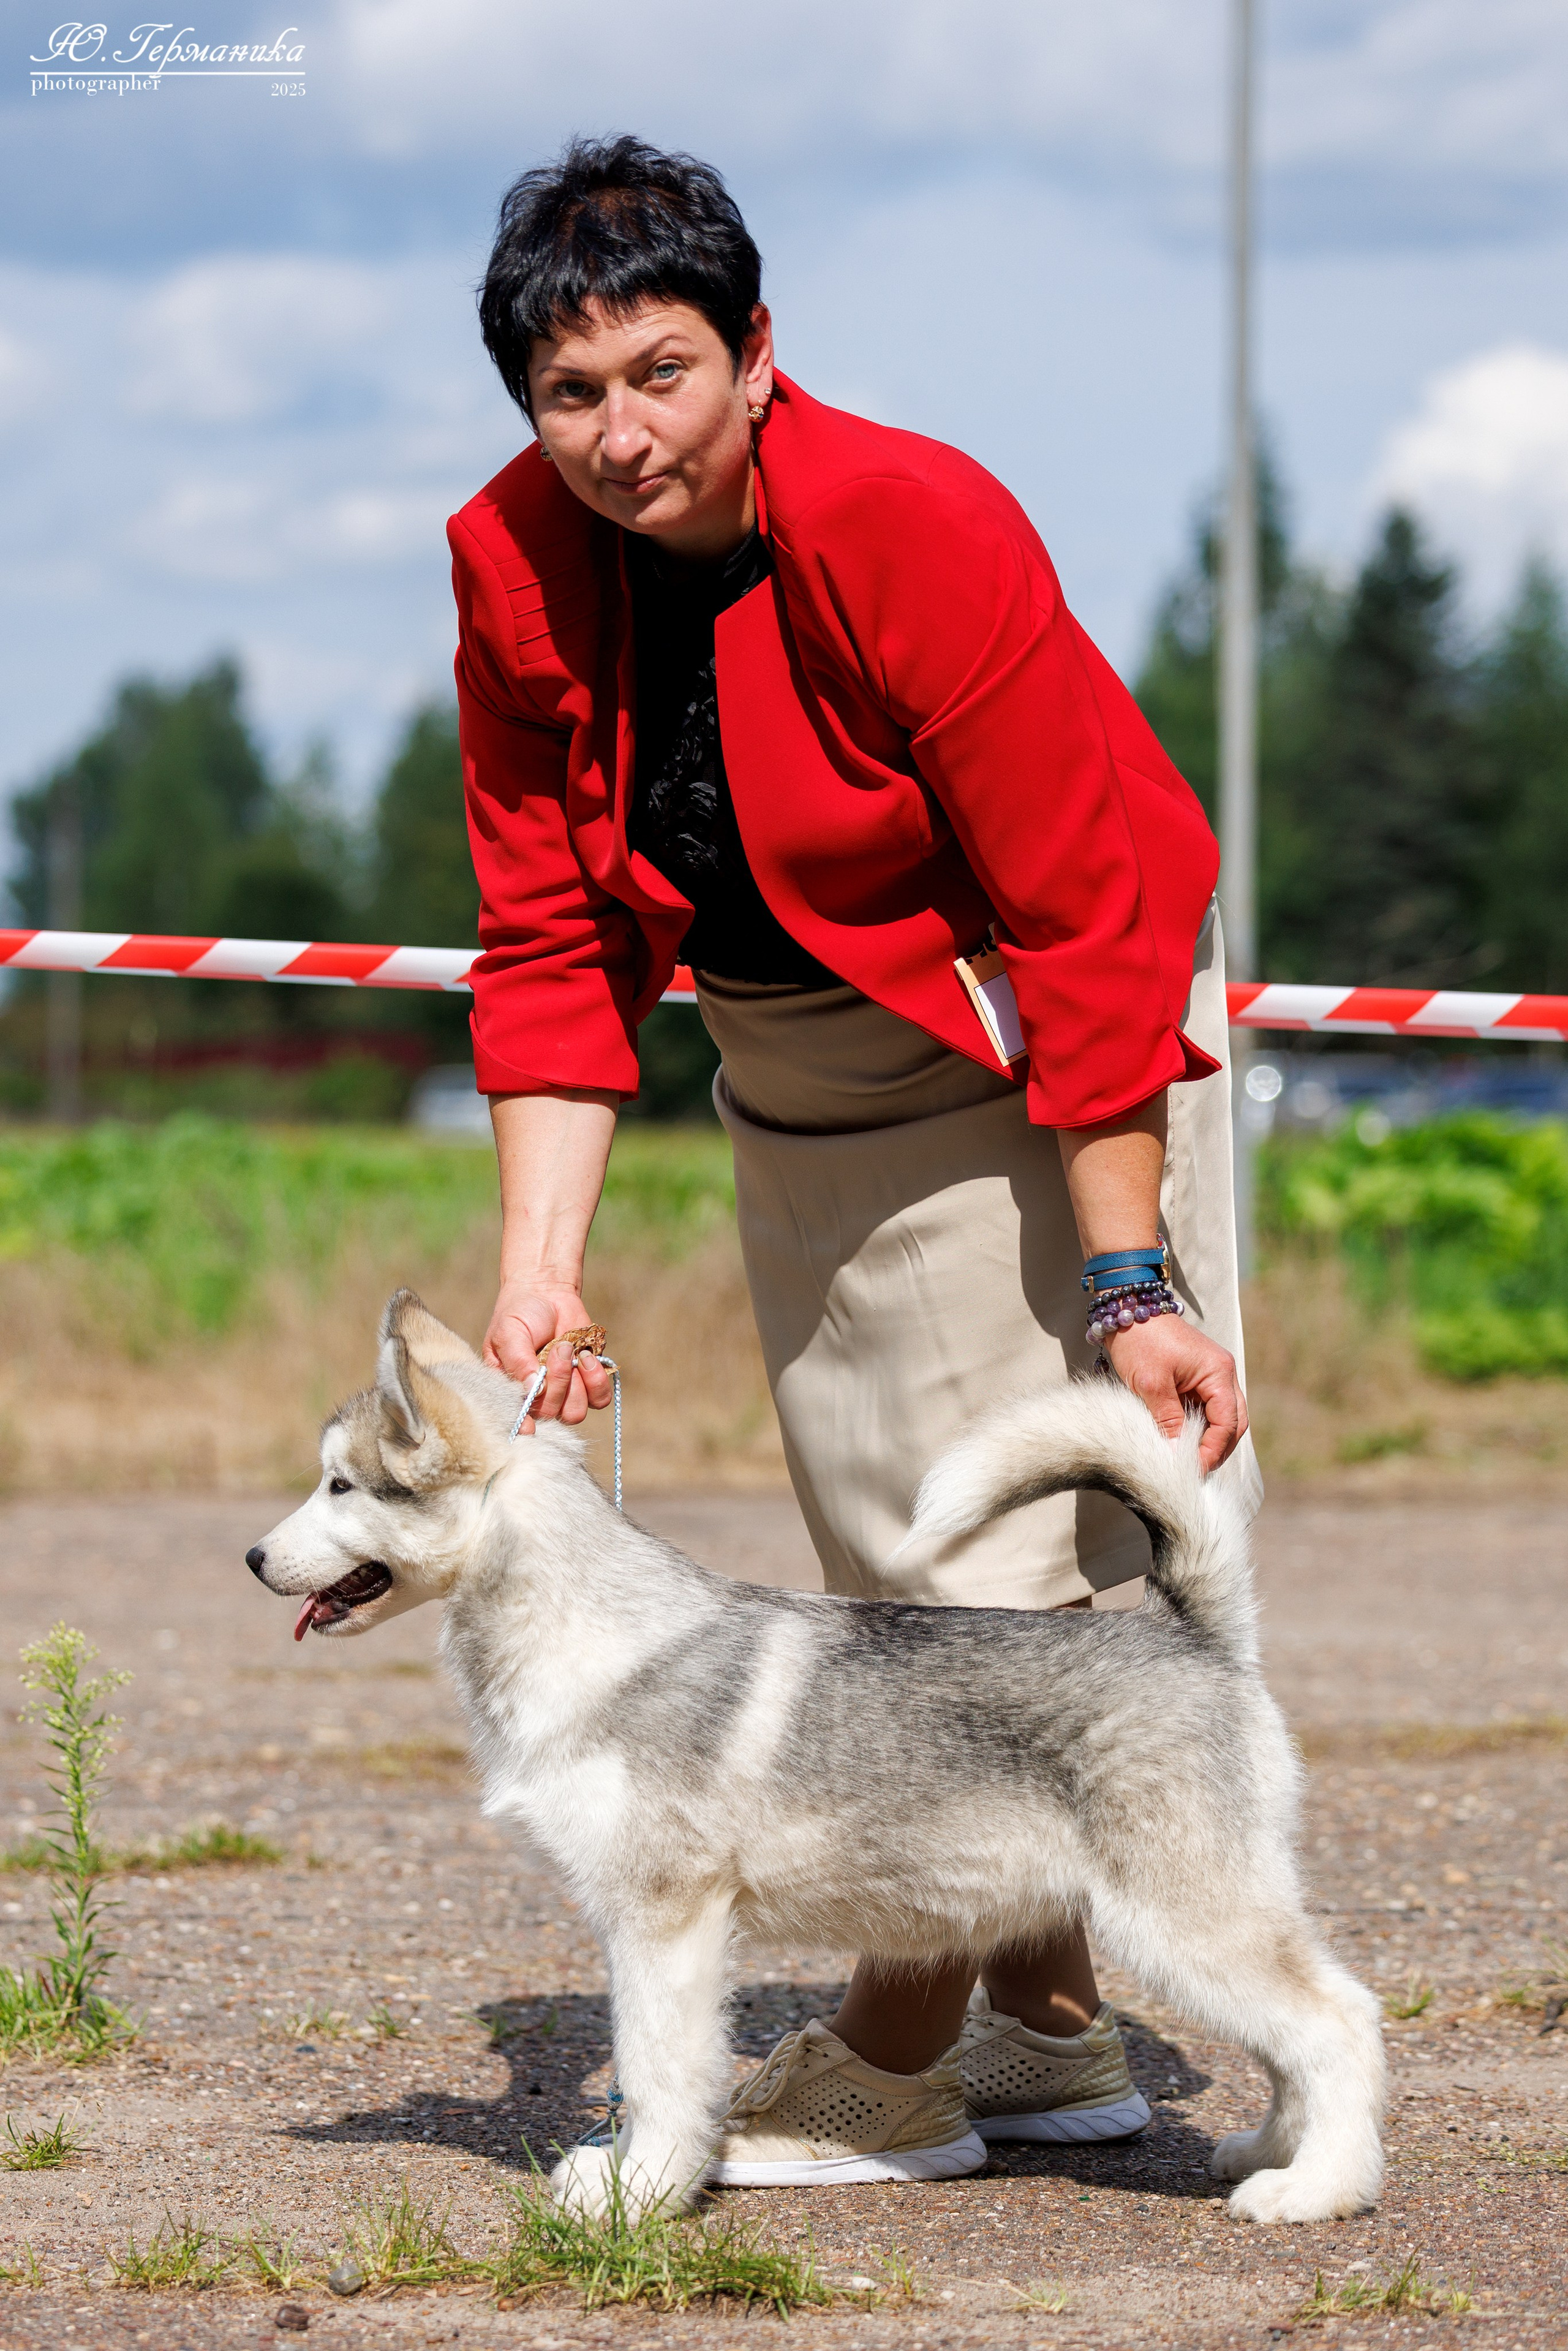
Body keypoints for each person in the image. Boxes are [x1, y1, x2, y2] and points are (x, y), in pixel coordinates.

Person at [450, 134, 1261, 2186]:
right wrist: (538, 1269)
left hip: (1029, 1044)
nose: (621, 435)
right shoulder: (515, 567)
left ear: (756, 354)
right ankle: (1053, 2035)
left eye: (662, 371)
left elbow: (1087, 911)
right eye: (569, 393)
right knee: (885, 1556)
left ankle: (889, 2054)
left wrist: (1130, 1278)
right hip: (795, 1074)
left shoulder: (910, 518)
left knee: (974, 1581)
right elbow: (552, 936)